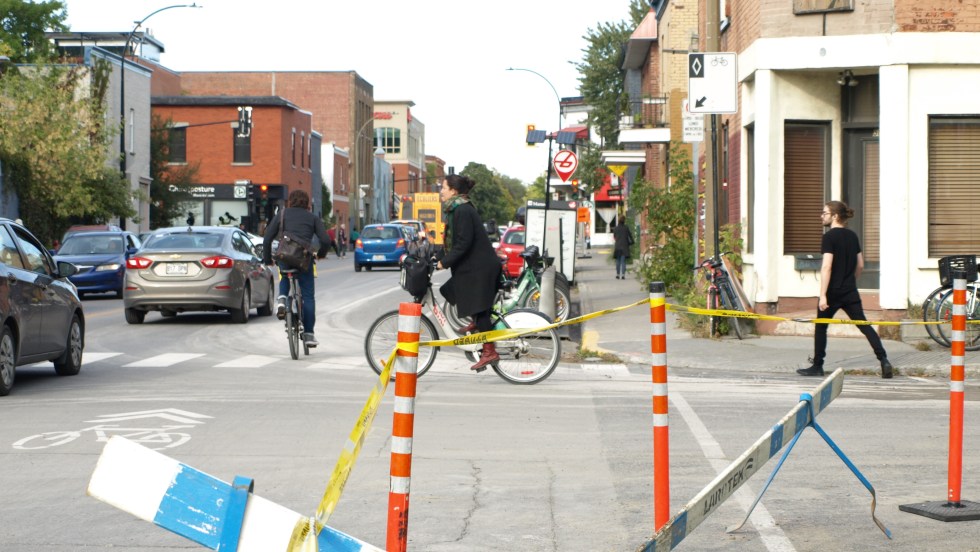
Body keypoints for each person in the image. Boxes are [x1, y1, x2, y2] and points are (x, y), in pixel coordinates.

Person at [798, 200, 892, 378]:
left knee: (821, 327)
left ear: (834, 216)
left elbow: (827, 267)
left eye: (824, 213)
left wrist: (823, 295)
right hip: (849, 291)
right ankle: (884, 360)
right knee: (864, 325)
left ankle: (817, 365)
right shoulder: (852, 236)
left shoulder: (829, 237)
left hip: (832, 291)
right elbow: (861, 265)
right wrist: (851, 282)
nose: (821, 216)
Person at [436, 174, 502, 372]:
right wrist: (436, 256)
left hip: (480, 267)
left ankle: (489, 351)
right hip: (475, 266)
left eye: (444, 188)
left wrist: (444, 263)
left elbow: (463, 243)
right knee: (451, 290)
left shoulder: (462, 210)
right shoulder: (458, 209)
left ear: (454, 191)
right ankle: (476, 323)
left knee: (480, 309)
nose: (441, 191)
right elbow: (453, 242)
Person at [262, 190, 331, 347]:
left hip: (285, 257)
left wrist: (268, 260)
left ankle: (281, 300)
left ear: (290, 202)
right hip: (303, 260)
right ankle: (308, 335)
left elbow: (267, 239)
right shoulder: (312, 218)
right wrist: (320, 254)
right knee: (308, 297)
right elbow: (326, 240)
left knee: (285, 275)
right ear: (307, 203)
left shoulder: (282, 215)